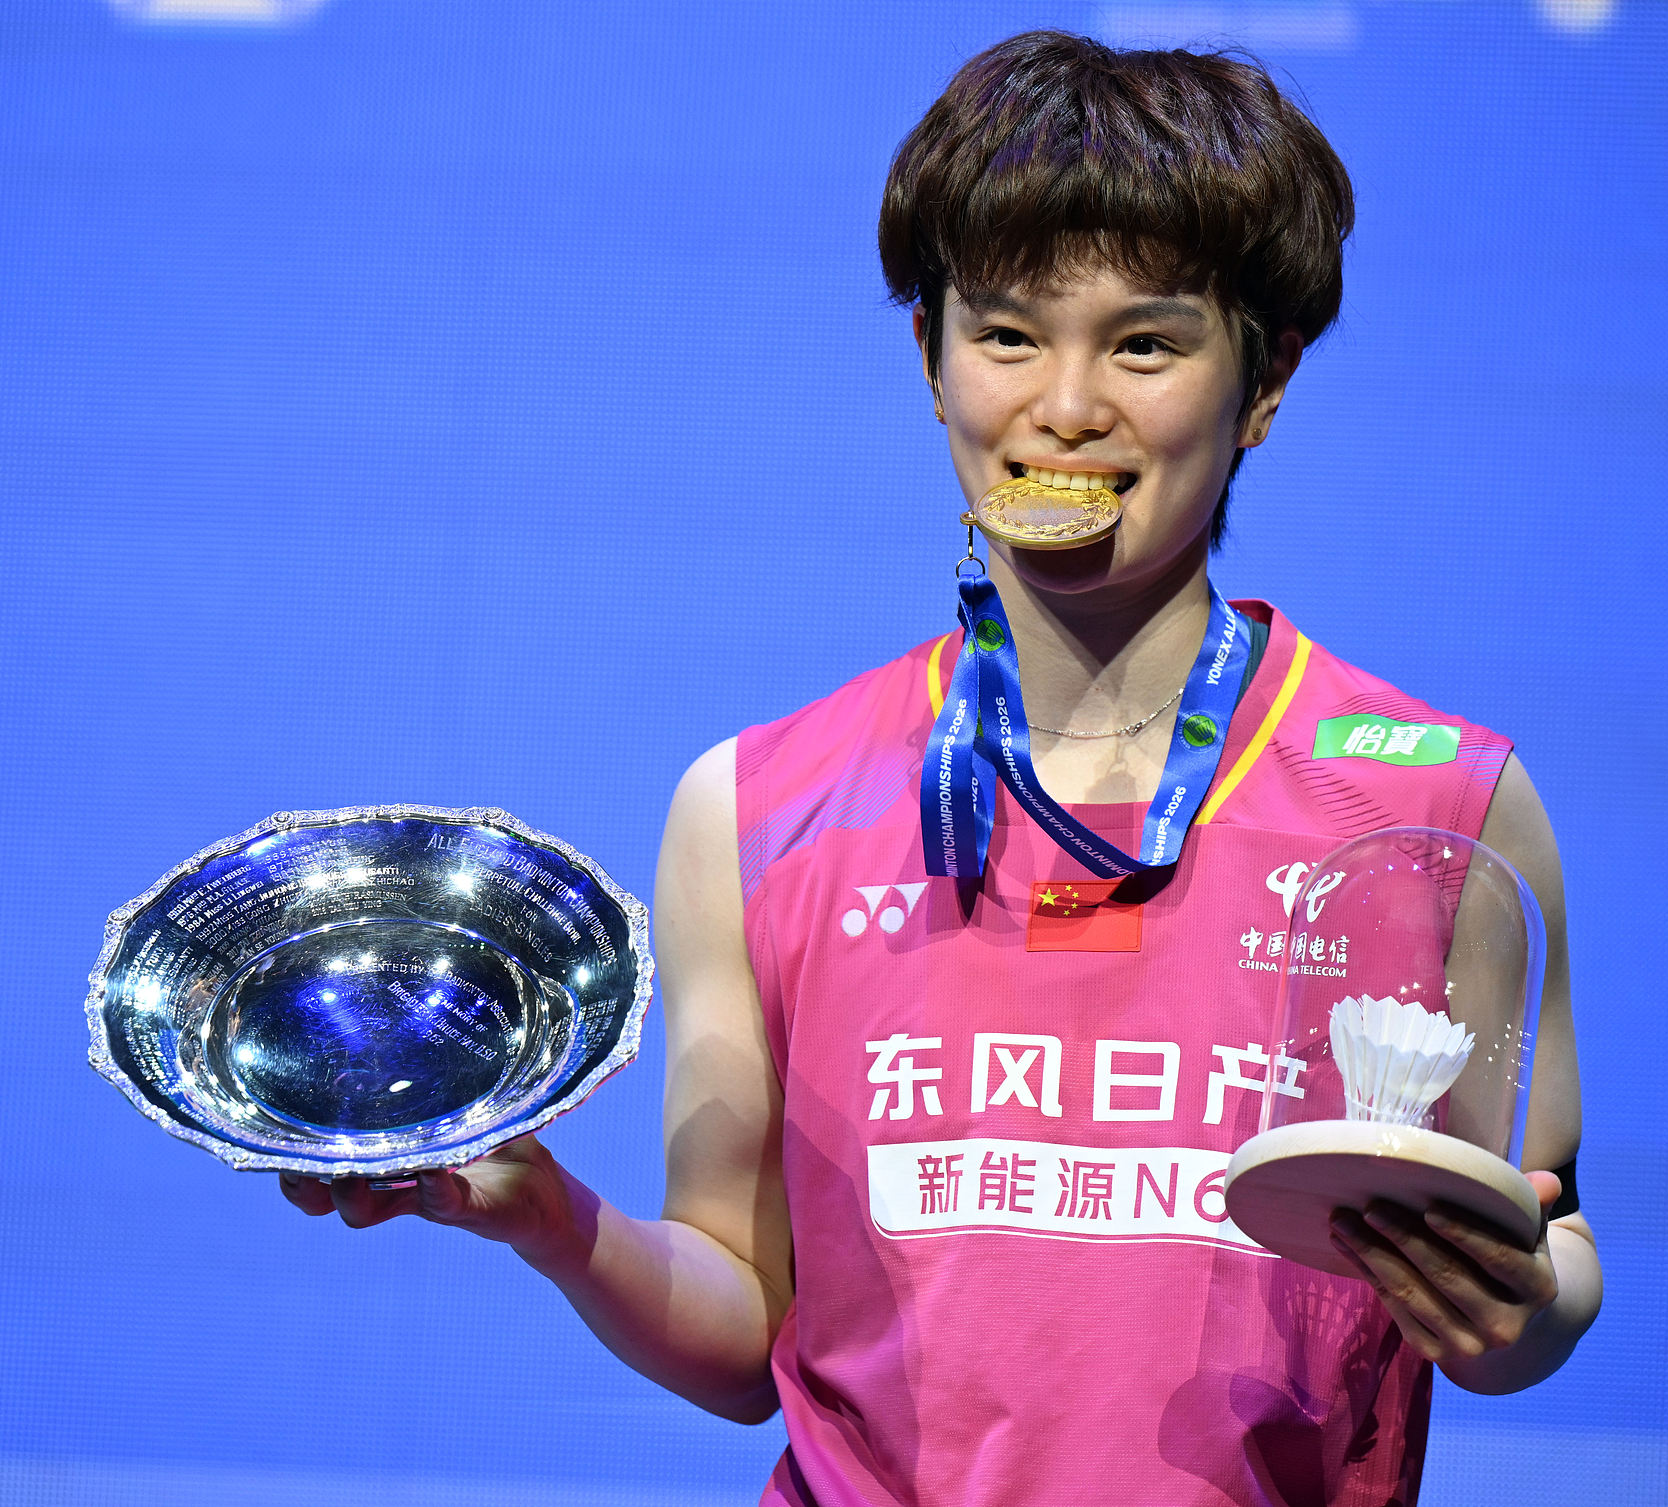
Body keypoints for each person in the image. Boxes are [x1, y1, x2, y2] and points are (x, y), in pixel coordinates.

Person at [281, 31, 1601, 1505]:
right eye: (1009, 333)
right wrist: (546, 1217)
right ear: (930, 358)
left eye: (1147, 343)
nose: (1067, 406)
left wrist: (1524, 1310)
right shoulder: (758, 809)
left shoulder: (1437, 803)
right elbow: (745, 1332)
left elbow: (1534, 1241)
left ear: (1267, 380)